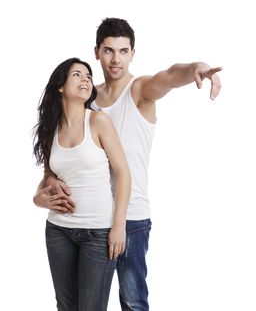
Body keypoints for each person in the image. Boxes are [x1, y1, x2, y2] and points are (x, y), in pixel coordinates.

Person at [35, 18, 222, 311]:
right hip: (91, 217)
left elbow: (170, 75)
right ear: (97, 52)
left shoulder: (140, 90)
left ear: (133, 53)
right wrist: (42, 192)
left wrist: (196, 68)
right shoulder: (87, 97)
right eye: (109, 50)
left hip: (130, 218)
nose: (116, 59)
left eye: (124, 51)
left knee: (133, 301)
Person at [33, 57, 131, 311]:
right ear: (60, 86)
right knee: (66, 305)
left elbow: (123, 173)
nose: (85, 78)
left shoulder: (98, 122)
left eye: (88, 75)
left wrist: (119, 226)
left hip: (97, 233)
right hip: (58, 230)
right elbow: (48, 176)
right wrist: (38, 198)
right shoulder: (50, 129)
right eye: (77, 74)